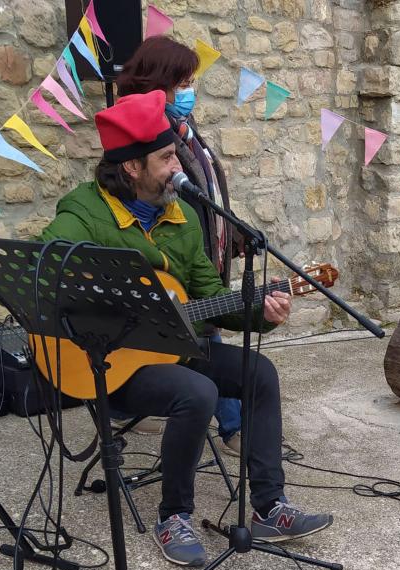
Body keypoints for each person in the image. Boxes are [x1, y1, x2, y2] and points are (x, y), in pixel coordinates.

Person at [39, 90, 333, 567]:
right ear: (131, 167)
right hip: (106, 365)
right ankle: (173, 516)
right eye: (167, 156)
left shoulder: (182, 219)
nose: (179, 165)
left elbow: (209, 299)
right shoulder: (84, 212)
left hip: (171, 351)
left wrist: (262, 311)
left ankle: (269, 506)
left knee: (258, 373)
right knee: (196, 392)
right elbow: (45, 272)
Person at [117, 36, 242, 457]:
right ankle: (232, 426)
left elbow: (206, 189)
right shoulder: (148, 136)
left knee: (212, 333)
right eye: (182, 82)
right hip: (178, 265)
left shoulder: (187, 132)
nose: (189, 91)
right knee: (208, 338)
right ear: (159, 84)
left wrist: (231, 233)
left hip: (204, 252)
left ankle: (232, 424)